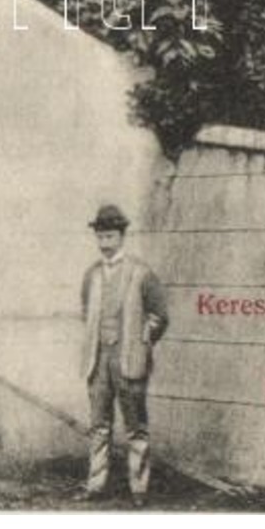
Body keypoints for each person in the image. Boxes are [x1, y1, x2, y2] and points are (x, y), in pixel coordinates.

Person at [79, 203, 169, 505]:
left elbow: (159, 315)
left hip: (129, 359)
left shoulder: (142, 274)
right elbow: (86, 312)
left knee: (135, 428)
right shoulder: (91, 275)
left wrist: (142, 342)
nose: (105, 244)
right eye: (100, 238)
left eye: (110, 237)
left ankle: (139, 489)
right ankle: (95, 485)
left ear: (122, 237)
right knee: (99, 426)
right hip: (98, 359)